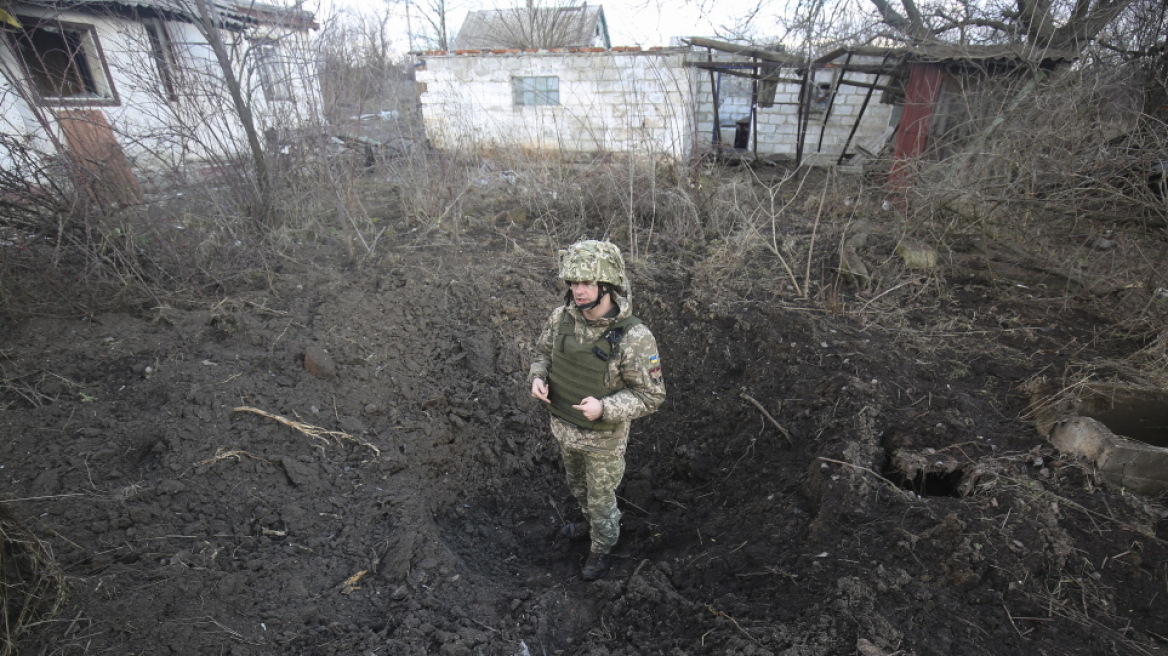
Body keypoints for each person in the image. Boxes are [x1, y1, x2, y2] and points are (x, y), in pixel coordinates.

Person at [529, 240, 665, 581]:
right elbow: (542, 354)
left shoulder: (634, 337)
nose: (579, 290)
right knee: (577, 487)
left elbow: (651, 396)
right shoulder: (561, 318)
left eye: (587, 283)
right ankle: (590, 526)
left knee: (602, 499)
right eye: (574, 282)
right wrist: (538, 377)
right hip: (564, 428)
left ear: (607, 286)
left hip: (603, 440)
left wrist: (605, 407)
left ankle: (602, 547)